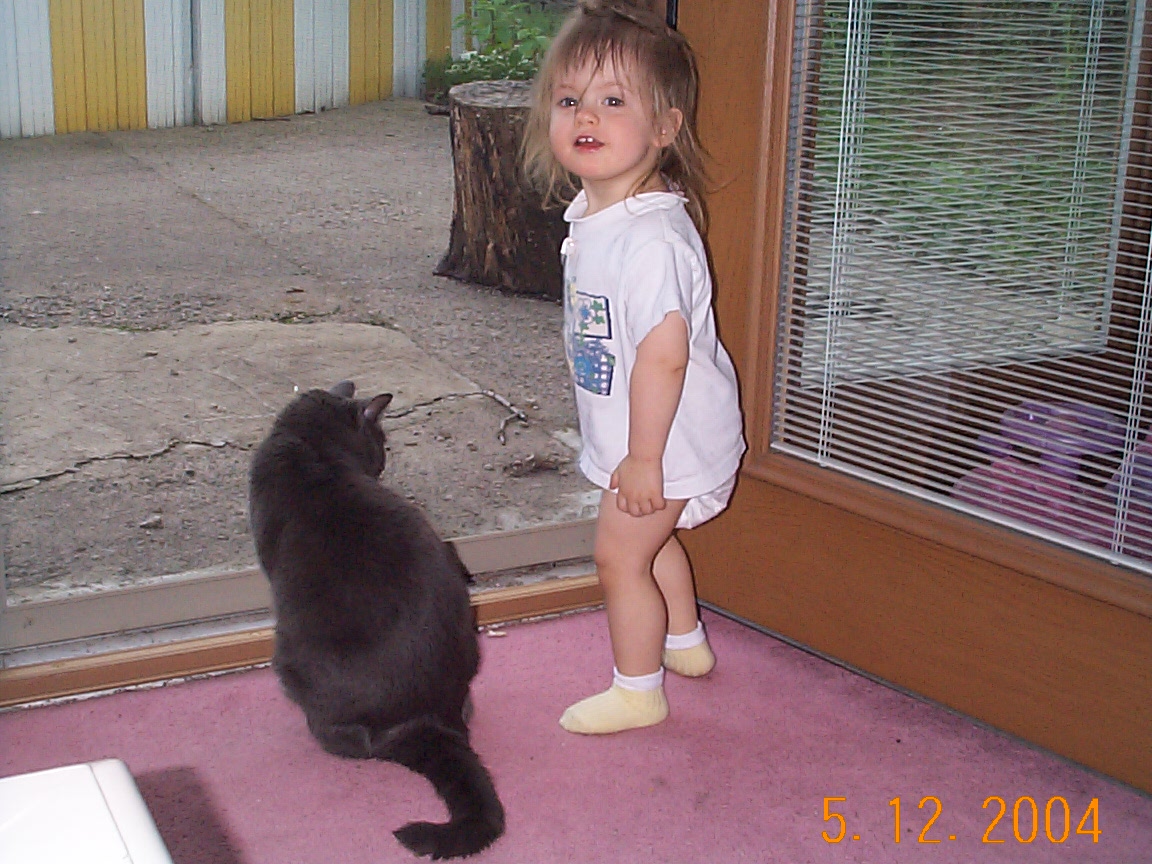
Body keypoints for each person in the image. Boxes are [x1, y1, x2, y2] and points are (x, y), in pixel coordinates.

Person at [522, 0, 746, 734]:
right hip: (647, 435)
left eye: (614, 101)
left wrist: (645, 458)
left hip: (664, 439)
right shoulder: (603, 218)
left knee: (619, 559)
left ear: (665, 127)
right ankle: (685, 642)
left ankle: (638, 690)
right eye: (569, 100)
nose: (586, 115)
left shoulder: (650, 241)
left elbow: (664, 355)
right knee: (652, 541)